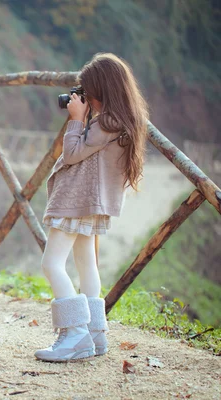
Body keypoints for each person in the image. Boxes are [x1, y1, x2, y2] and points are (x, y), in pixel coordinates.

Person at [35, 53, 148, 362]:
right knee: (86, 263)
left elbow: (71, 154)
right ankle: (95, 334)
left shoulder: (108, 121)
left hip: (78, 199)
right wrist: (84, 118)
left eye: (88, 90)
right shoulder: (120, 119)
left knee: (52, 263)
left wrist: (75, 120)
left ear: (102, 89)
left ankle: (74, 335)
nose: (85, 97)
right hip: (91, 201)